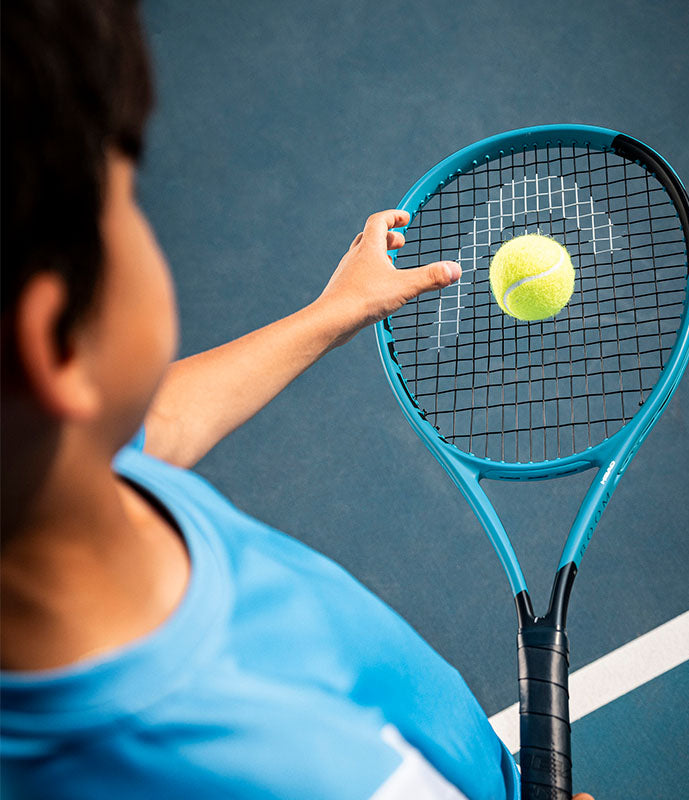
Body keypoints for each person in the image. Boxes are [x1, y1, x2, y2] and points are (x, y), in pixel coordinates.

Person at [0, 2, 594, 798]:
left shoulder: (57, 475)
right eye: (126, 204)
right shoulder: (300, 771)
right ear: (61, 345)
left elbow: (159, 422)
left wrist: (327, 316)